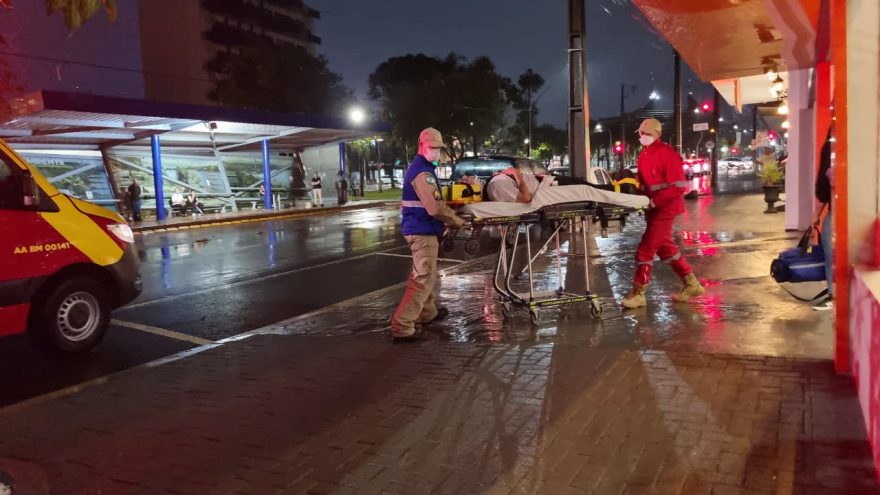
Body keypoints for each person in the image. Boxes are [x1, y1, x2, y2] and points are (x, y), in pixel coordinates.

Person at [391, 127, 466, 343]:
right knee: (423, 278)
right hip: (421, 230)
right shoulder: (423, 172)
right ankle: (402, 326)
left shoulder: (423, 168)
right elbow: (435, 208)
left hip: (421, 228)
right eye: (432, 148)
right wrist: (458, 221)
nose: (435, 152)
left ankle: (427, 313)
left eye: (438, 148)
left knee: (427, 274)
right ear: (421, 146)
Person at [621, 118, 704, 308]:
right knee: (666, 248)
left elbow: (678, 187)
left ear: (656, 134)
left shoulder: (667, 154)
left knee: (646, 248)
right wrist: (637, 193)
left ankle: (639, 293)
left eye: (646, 133)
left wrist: (653, 201)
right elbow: (644, 183)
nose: (642, 137)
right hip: (653, 208)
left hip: (665, 208)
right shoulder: (645, 154)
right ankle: (692, 284)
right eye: (641, 134)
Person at [812, 130, 834, 311]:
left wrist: (816, 214)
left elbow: (823, 188)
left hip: (837, 215)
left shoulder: (830, 149)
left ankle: (833, 295)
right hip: (849, 213)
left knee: (831, 257)